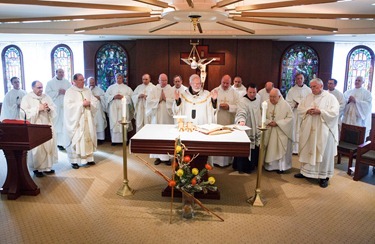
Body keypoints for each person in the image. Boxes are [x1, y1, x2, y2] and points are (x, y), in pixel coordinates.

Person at [294, 78, 340, 188]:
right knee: (307, 148)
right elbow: (300, 108)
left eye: (314, 86)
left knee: (322, 152)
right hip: (309, 129)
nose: (312, 89)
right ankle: (305, 172)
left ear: (321, 86)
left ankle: (323, 177)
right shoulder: (308, 97)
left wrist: (321, 112)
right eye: (311, 86)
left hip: (323, 131)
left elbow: (335, 112)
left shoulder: (330, 98)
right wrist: (307, 111)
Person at [20, 80, 58, 177]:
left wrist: (49, 108)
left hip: (46, 125)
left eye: (41, 87)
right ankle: (37, 169)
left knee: (48, 145)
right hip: (35, 127)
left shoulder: (46, 97)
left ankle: (47, 167)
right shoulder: (27, 98)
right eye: (38, 87)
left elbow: (54, 107)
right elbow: (24, 113)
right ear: (33, 88)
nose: (41, 89)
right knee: (38, 148)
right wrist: (38, 108)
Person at [64, 73, 99, 169]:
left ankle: (89, 158)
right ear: (74, 81)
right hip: (77, 120)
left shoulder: (87, 90)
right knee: (78, 138)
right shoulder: (70, 92)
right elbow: (68, 106)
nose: (83, 82)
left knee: (88, 137)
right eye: (80, 80)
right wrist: (81, 104)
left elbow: (94, 101)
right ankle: (74, 161)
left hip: (88, 119)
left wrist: (90, 103)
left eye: (83, 80)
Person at [209, 74, 240, 167]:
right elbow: (209, 104)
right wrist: (218, 106)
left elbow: (239, 106)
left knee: (227, 140)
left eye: (227, 83)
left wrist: (229, 107)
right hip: (217, 120)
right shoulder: (215, 91)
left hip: (229, 120)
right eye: (224, 83)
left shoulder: (235, 93)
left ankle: (227, 162)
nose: (225, 85)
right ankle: (215, 160)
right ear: (221, 81)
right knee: (217, 140)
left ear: (230, 83)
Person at [146, 73, 174, 165]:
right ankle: (157, 157)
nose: (164, 82)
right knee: (157, 136)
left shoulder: (171, 89)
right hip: (156, 116)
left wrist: (166, 99)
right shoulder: (153, 89)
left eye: (165, 80)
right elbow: (149, 101)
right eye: (162, 80)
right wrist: (158, 100)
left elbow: (176, 102)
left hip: (167, 118)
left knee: (168, 136)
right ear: (158, 80)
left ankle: (168, 157)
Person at [233, 83, 261, 174]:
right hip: (246, 126)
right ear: (246, 91)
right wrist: (241, 120)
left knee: (254, 148)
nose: (252, 94)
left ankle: (252, 165)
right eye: (250, 92)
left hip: (256, 127)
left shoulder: (258, 99)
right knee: (245, 148)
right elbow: (241, 112)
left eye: (254, 92)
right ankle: (242, 167)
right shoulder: (243, 101)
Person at [264, 88, 294, 173]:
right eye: (270, 96)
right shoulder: (266, 103)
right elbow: (261, 115)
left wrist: (278, 123)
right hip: (269, 130)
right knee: (270, 148)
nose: (272, 99)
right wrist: (269, 122)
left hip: (281, 132)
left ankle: (281, 168)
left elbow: (291, 118)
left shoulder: (285, 105)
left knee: (280, 148)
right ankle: (269, 166)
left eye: (274, 97)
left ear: (279, 96)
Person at [45, 68, 72, 150]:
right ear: (56, 73)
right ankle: (58, 143)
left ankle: (65, 141)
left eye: (62, 72)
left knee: (65, 123)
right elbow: (47, 93)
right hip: (56, 106)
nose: (61, 73)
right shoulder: (50, 83)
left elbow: (71, 92)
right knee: (57, 124)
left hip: (65, 106)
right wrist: (57, 92)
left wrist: (66, 92)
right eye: (59, 72)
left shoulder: (67, 82)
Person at [285, 73, 312, 154]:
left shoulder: (308, 90)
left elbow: (311, 101)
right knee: (295, 129)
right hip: (295, 113)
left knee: (303, 129)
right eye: (298, 78)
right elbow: (288, 102)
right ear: (295, 80)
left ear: (304, 79)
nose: (300, 80)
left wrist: (303, 106)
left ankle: (303, 148)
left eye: (301, 78)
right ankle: (294, 149)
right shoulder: (292, 90)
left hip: (305, 114)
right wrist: (294, 104)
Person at [105, 73, 134, 145]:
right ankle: (114, 141)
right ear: (115, 79)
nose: (119, 79)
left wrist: (123, 97)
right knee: (114, 122)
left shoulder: (127, 88)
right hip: (113, 109)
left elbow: (131, 98)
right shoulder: (110, 88)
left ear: (122, 79)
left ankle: (124, 140)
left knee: (123, 122)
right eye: (117, 78)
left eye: (120, 78)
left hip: (123, 108)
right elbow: (106, 97)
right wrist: (113, 97)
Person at [88, 77, 107, 143]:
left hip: (98, 110)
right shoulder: (86, 90)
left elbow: (104, 97)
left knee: (99, 122)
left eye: (93, 82)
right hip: (89, 110)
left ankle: (100, 138)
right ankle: (91, 138)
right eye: (90, 82)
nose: (92, 84)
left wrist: (99, 97)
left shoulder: (99, 90)